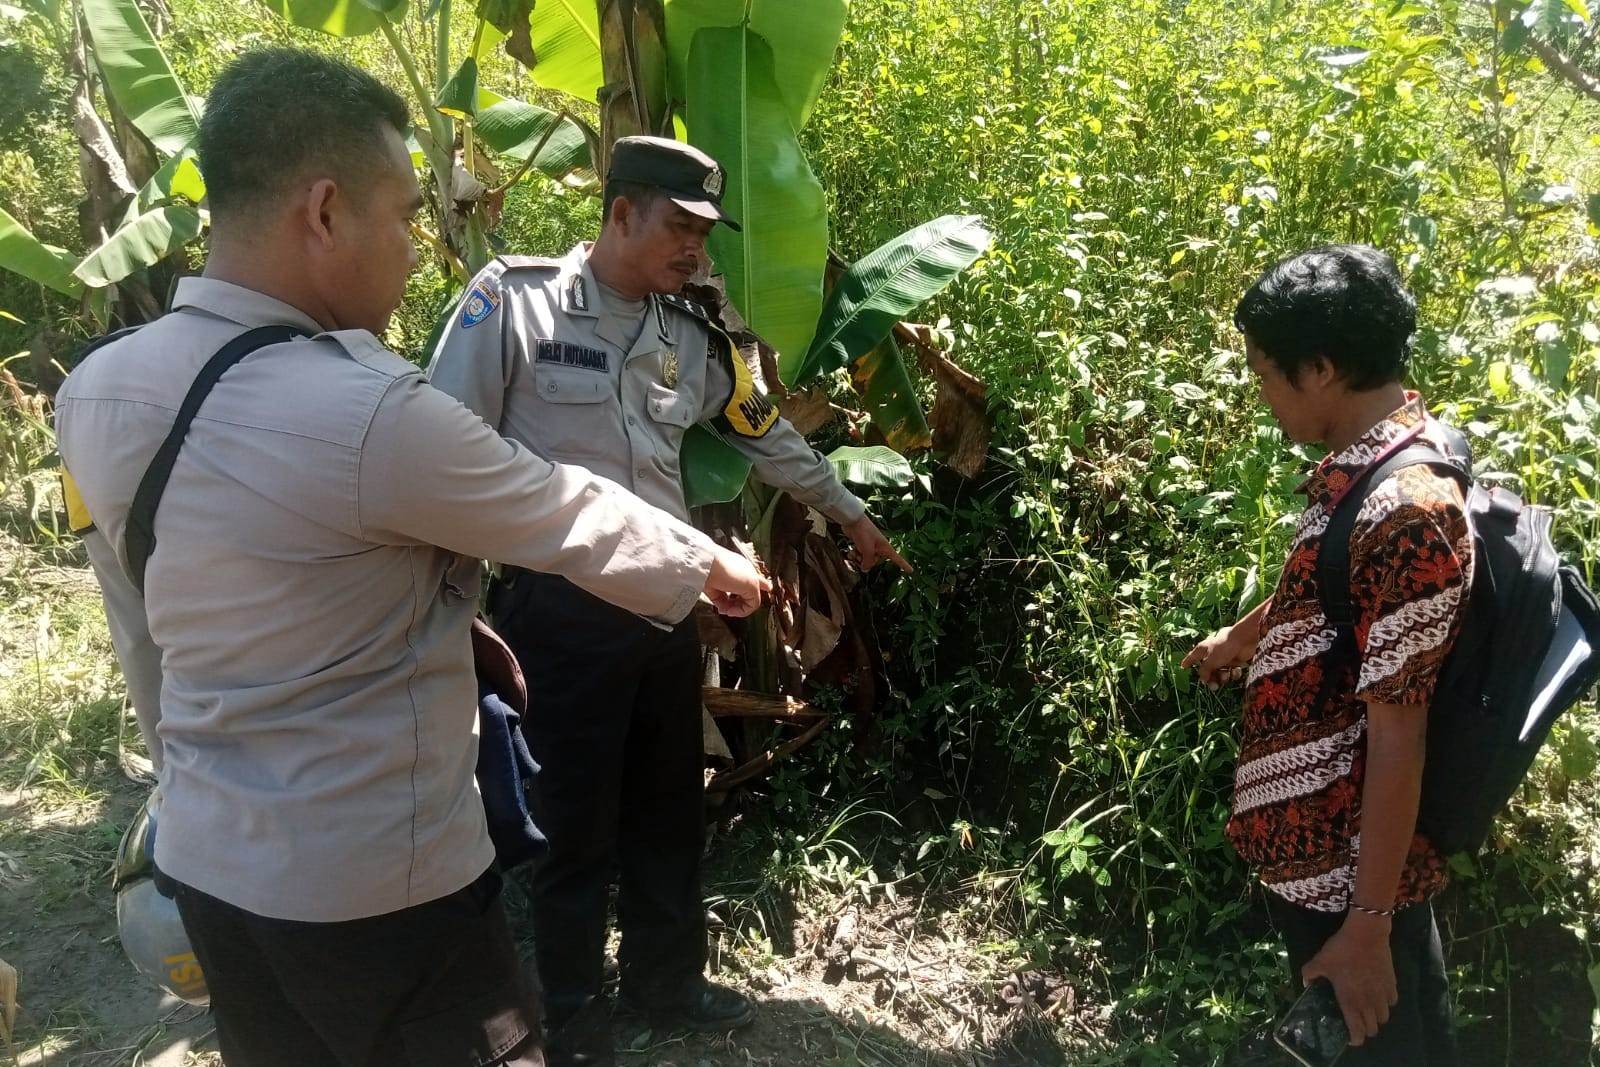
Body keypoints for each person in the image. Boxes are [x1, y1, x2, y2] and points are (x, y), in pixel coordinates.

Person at [54, 50, 768, 1067]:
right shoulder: (368, 410)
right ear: (324, 212)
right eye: (400, 215)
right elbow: (560, 508)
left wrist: (185, 786)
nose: (409, 247)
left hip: (213, 871)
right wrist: (707, 565)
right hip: (379, 889)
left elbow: (140, 629)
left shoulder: (95, 392)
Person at [427, 135, 909, 1062]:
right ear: (621, 212)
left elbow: (765, 433)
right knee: (572, 826)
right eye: (680, 227)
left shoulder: (690, 335)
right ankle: (573, 1020)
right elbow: (444, 449)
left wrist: (848, 513)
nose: (696, 248)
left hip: (665, 607)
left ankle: (667, 980)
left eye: (705, 233)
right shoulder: (514, 304)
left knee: (667, 805)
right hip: (558, 613)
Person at [1182, 245, 1468, 1065]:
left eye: (1266, 374)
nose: (1262, 396)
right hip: (1327, 864)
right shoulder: (1368, 467)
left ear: (1320, 368)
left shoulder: (1408, 512)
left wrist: (1367, 929)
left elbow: (1399, 733)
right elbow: (1338, 582)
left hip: (1351, 876)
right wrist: (1246, 636)